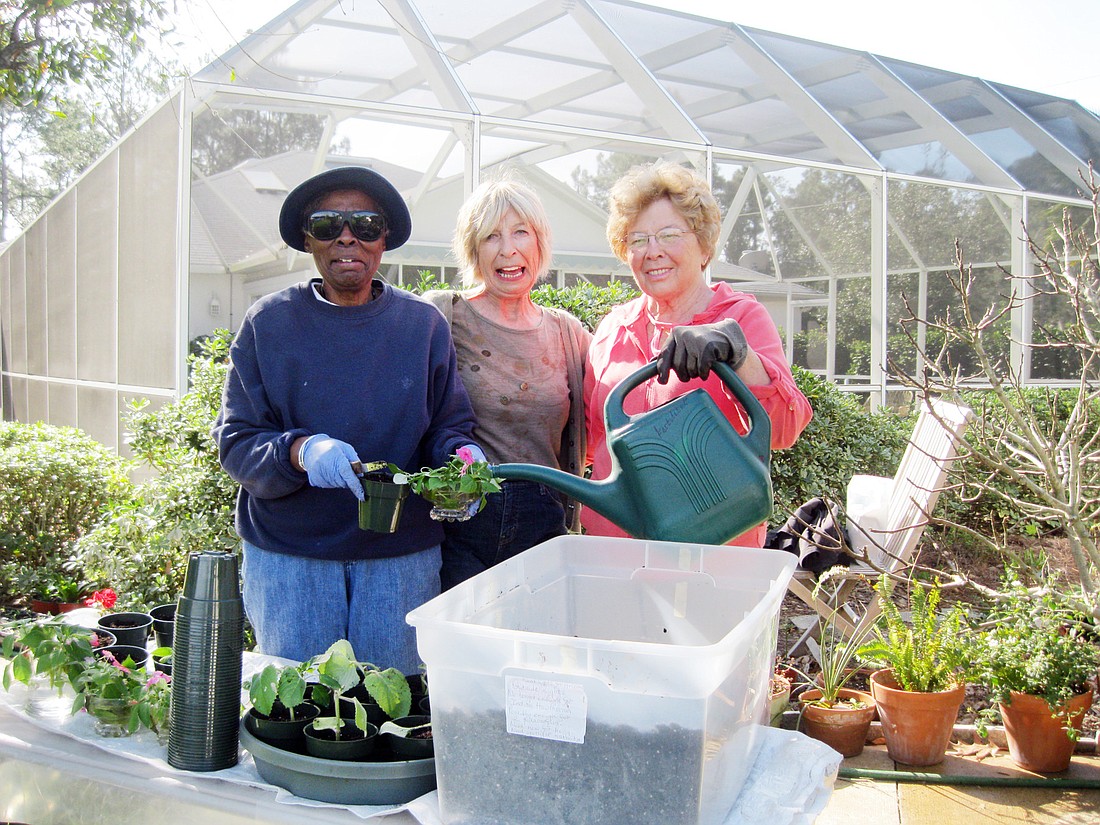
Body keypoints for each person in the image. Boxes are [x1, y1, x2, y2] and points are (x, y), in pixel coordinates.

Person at [212, 165, 480, 673]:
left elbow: (449, 426)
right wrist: (301, 452)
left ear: (384, 240)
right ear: (308, 240)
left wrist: (461, 460)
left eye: (365, 224)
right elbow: (237, 441)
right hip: (292, 560)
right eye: (328, 224)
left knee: (392, 708)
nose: (347, 238)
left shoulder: (420, 326)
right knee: (300, 706)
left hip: (400, 559)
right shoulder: (269, 323)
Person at [584, 161, 812, 547]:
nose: (652, 252)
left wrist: (738, 354)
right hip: (615, 552)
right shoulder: (612, 328)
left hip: (716, 549)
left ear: (704, 247)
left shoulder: (740, 316)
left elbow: (786, 429)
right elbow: (591, 444)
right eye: (638, 240)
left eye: (669, 235)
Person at [425, 178, 590, 590]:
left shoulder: (567, 333)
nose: (508, 249)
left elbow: (623, 404)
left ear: (539, 243)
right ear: (473, 250)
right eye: (491, 236)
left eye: (521, 232)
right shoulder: (442, 316)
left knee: (540, 651)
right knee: (464, 652)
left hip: (543, 527)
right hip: (459, 528)